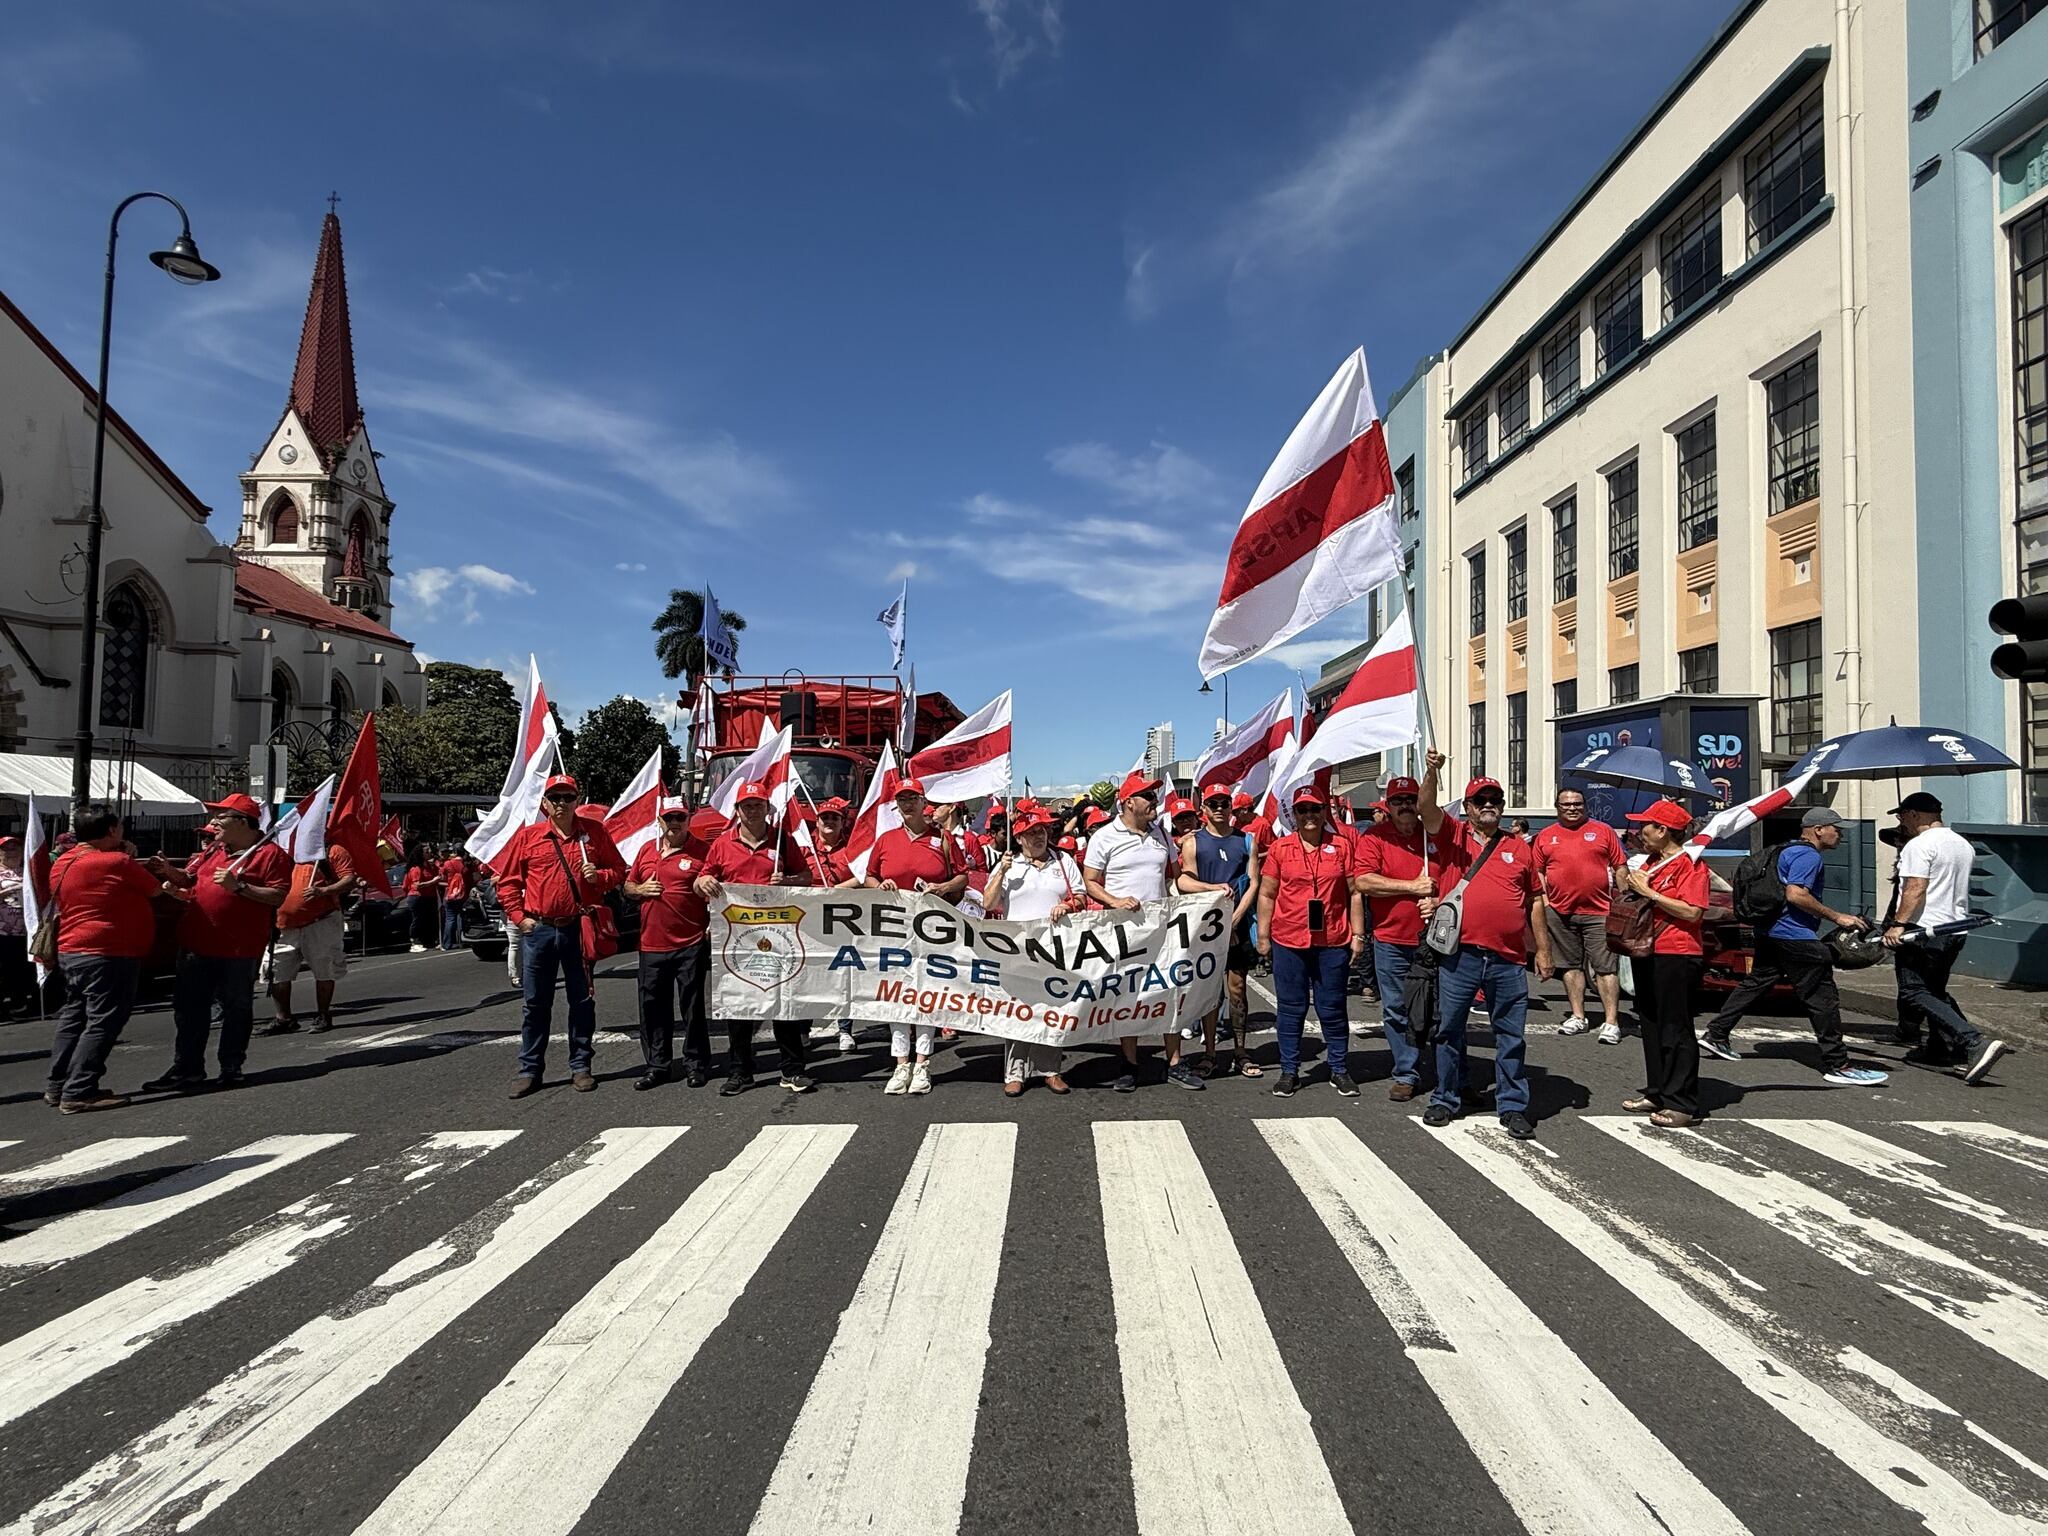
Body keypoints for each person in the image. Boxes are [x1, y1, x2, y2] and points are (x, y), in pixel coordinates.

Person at [1417, 751, 1552, 1139]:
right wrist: (1431, 771)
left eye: (1495, 800)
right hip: (1461, 956)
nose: (1489, 806)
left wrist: (1542, 949)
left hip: (1508, 959)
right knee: (1450, 1030)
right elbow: (1426, 806)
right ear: (1468, 808)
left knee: (1511, 1035)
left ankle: (1512, 1105)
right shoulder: (1453, 838)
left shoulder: (1520, 847)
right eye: (1481, 801)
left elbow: (1535, 901)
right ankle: (1445, 1097)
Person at [1700, 807, 1888, 1086]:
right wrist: (1838, 917)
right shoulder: (1808, 855)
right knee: (1823, 998)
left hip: (1770, 932)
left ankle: (1716, 1033)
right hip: (1795, 936)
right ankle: (1838, 1064)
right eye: (1836, 829)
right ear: (1818, 829)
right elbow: (1796, 894)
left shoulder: (1785, 850)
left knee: (1757, 981)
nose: (1840, 835)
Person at [143, 794, 293, 1092]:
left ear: (242, 821)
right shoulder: (213, 849)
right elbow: (191, 879)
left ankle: (231, 1066)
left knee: (236, 1008)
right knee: (189, 1010)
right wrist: (169, 873)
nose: (213, 823)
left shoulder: (270, 855)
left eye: (220, 817)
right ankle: (187, 1068)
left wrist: (239, 887)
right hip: (196, 944)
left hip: (238, 948)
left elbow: (277, 896)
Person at [496, 775, 627, 1099]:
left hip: (577, 928)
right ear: (544, 804)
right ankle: (530, 1070)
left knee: (581, 1001)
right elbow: (508, 882)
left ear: (577, 800)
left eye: (567, 797)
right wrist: (519, 918)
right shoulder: (528, 837)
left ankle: (581, 1066)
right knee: (535, 1003)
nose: (561, 803)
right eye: (555, 797)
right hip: (538, 930)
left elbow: (619, 871)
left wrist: (600, 876)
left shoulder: (593, 834)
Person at [44, 805, 171, 1112]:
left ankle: (58, 1084)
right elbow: (154, 890)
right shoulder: (116, 861)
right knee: (104, 1020)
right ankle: (80, 1089)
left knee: (74, 1017)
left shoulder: (64, 861)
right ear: (112, 831)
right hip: (108, 950)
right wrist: (127, 855)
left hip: (73, 949)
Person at [1086, 771, 1204, 1092]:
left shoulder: (1163, 836)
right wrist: (1115, 900)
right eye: (1148, 797)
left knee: (1171, 991)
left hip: (1163, 929)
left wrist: (1209, 891)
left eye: (1154, 796)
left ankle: (1175, 1062)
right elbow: (1090, 881)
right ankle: (1130, 1064)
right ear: (1128, 803)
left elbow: (1175, 879)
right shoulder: (1104, 837)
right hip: (1124, 931)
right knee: (1129, 994)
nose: (1155, 802)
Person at [697, 780, 816, 1095]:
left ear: (767, 808)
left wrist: (787, 879)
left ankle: (792, 1070)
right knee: (740, 1008)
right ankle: (740, 1072)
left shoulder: (783, 840)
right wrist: (705, 880)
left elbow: (807, 878)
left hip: (779, 937)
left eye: (758, 805)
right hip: (737, 939)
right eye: (747, 805)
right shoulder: (722, 844)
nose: (752, 811)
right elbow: (702, 880)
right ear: (737, 810)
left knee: (783, 1004)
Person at [1883, 792, 2008, 1084]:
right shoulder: (1962, 844)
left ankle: (1972, 1041)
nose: (1902, 823)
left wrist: (1898, 925)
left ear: (1915, 815)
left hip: (1924, 930)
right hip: (1955, 930)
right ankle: (1939, 1049)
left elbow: (1915, 887)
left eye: (1902, 816)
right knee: (1935, 991)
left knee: (1913, 991)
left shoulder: (1919, 845)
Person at [1353, 770, 1460, 1102]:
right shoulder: (1374, 837)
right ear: (1387, 806)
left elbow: (1459, 877)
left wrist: (1437, 897)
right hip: (1391, 941)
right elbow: (1364, 882)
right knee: (1397, 1009)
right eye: (1397, 800)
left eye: (1409, 800)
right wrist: (1410, 887)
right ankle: (1406, 1071)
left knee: (1445, 1009)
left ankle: (1451, 1075)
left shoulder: (1438, 835)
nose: (1403, 806)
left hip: (1438, 938)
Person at [1255, 785, 1366, 1097]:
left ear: (1324, 811)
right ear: (1295, 815)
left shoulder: (1342, 847)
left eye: (1315, 809)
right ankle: (1289, 1071)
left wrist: (1358, 935)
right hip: (1289, 939)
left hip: (1332, 940)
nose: (1309, 815)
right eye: (1303, 810)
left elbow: (1355, 893)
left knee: (1332, 1007)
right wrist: (1263, 936)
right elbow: (1267, 894)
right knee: (1291, 1008)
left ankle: (1339, 1069)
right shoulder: (1280, 849)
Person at [865, 778, 968, 1092]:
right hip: (895, 929)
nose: (908, 804)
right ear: (897, 805)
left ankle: (922, 1062)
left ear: (925, 803)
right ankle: (900, 1063)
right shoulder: (886, 840)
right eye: (903, 799)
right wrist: (879, 886)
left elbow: (961, 877)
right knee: (897, 992)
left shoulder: (944, 839)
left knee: (927, 992)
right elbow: (869, 877)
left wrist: (942, 887)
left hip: (933, 928)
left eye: (913, 798)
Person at [1615, 800, 1711, 1126]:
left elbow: (1693, 912)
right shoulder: (1653, 862)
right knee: (1651, 1023)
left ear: (1662, 830)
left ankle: (1682, 1102)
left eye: (1646, 826)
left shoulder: (1691, 864)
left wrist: (1652, 894)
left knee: (1676, 1027)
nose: (1640, 832)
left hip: (1677, 952)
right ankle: (1657, 1090)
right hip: (1648, 949)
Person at [982, 806, 1082, 1095]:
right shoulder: (1009, 864)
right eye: (1033, 832)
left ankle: (1050, 1069)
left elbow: (1081, 896)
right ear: (1020, 837)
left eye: (1043, 830)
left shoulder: (1063, 861)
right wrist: (1001, 870)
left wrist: (1067, 905)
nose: (1039, 836)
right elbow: (989, 904)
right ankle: (1015, 1072)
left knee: (1051, 1006)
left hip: (1055, 948)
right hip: (1016, 950)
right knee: (1017, 1009)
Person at [625, 799, 714, 1090]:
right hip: (651, 943)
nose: (674, 822)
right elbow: (628, 885)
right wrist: (639, 889)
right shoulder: (646, 850)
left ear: (688, 819)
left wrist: (713, 921)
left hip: (690, 941)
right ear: (660, 821)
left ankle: (697, 1064)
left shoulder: (703, 851)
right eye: (669, 817)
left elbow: (716, 889)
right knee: (652, 1008)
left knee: (692, 1007)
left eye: (679, 817)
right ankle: (657, 1065)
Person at [1177, 781, 1261, 1077]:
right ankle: (1210, 1052)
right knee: (1209, 990)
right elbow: (1184, 881)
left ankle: (1240, 1050)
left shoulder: (1247, 839)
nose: (1220, 809)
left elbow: (1253, 882)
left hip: (1237, 923)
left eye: (1224, 803)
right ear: (1204, 809)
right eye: (1213, 804)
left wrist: (1235, 918)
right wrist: (1211, 889)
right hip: (1206, 925)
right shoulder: (1193, 842)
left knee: (1237, 988)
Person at [1532, 788, 1628, 1043]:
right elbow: (1538, 871)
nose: (1572, 808)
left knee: (1605, 968)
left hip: (1599, 911)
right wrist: (1546, 901)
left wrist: (1624, 896)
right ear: (1557, 807)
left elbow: (1620, 865)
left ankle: (1611, 1021)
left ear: (1585, 806)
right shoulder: (1546, 836)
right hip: (1560, 911)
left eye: (1577, 803)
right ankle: (1578, 1015)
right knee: (1570, 966)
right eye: (1566, 805)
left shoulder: (1603, 831)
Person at [259, 846, 360, 1036]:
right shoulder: (276, 850)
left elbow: (349, 879)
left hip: (321, 920)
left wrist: (324, 891)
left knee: (324, 969)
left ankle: (323, 1014)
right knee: (276, 971)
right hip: (282, 924)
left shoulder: (330, 849)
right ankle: (284, 1018)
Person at [0, 835, 35, 1019]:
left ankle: (20, 1004)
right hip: (3, 932)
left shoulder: (26, 873)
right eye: (6, 849)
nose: (11, 852)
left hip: (25, 930)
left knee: (21, 969)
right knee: (5, 969)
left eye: (15, 848)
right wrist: (5, 892)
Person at [438, 846, 469, 952]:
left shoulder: (447, 863)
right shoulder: (465, 864)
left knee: (450, 919)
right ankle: (463, 940)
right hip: (463, 895)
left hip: (450, 894)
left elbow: (441, 877)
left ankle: (447, 943)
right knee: (461, 917)